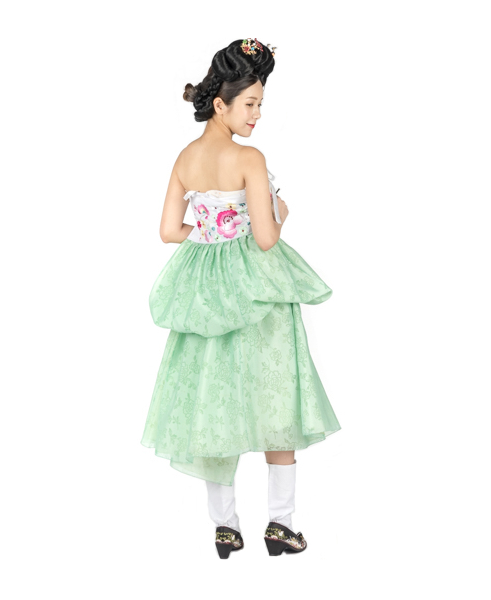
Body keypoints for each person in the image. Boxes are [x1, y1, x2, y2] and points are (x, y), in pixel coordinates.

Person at [140, 37, 341, 559]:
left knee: (216, 400)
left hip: (206, 294)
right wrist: (277, 210)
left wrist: (212, 231)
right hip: (258, 292)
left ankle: (225, 527)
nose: (257, 115)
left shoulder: (186, 158)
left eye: (260, 104)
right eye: (250, 104)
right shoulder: (249, 157)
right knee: (278, 397)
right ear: (220, 103)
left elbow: (168, 230)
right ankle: (281, 525)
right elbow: (267, 237)